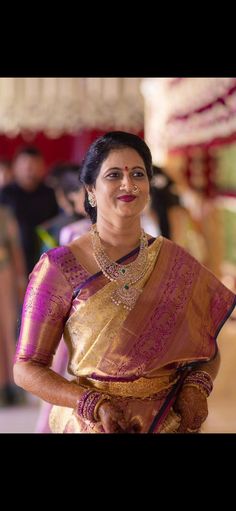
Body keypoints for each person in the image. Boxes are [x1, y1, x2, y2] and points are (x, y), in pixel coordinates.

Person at [13, 132, 236, 434]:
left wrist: (196, 386)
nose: (128, 184)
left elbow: (207, 349)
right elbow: (26, 367)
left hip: (168, 423)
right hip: (92, 424)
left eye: (138, 174)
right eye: (114, 175)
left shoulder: (174, 260)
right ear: (90, 190)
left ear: (148, 188)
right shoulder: (59, 267)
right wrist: (90, 402)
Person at [0, 146, 59, 275]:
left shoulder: (50, 194)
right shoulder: (5, 195)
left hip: (45, 259)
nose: (29, 171)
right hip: (12, 259)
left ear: (42, 167)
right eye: (25, 166)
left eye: (34, 166)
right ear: (15, 167)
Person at [0, 206, 27, 405]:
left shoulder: (4, 214)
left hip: (4, 273)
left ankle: (14, 386)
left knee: (9, 330)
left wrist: (19, 279)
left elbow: (15, 248)